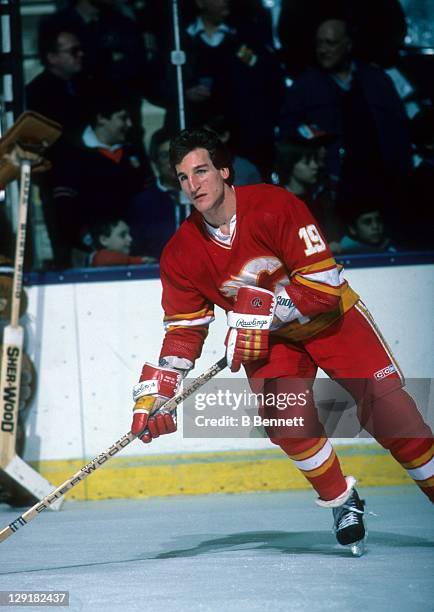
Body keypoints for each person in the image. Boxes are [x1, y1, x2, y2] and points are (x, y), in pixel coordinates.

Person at [129, 128, 433, 555]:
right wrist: (162, 388)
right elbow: (185, 328)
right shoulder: (180, 252)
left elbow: (324, 287)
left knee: (392, 414)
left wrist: (263, 312)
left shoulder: (275, 205)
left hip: (331, 319)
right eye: (182, 177)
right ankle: (342, 502)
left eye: (201, 171)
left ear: (224, 170)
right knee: (285, 417)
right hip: (272, 343)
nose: (193, 185)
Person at [88, 217, 155, 266]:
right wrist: (139, 260)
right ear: (104, 240)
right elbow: (106, 259)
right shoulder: (99, 257)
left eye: (129, 234)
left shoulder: (124, 259)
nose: (130, 239)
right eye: (122, 235)